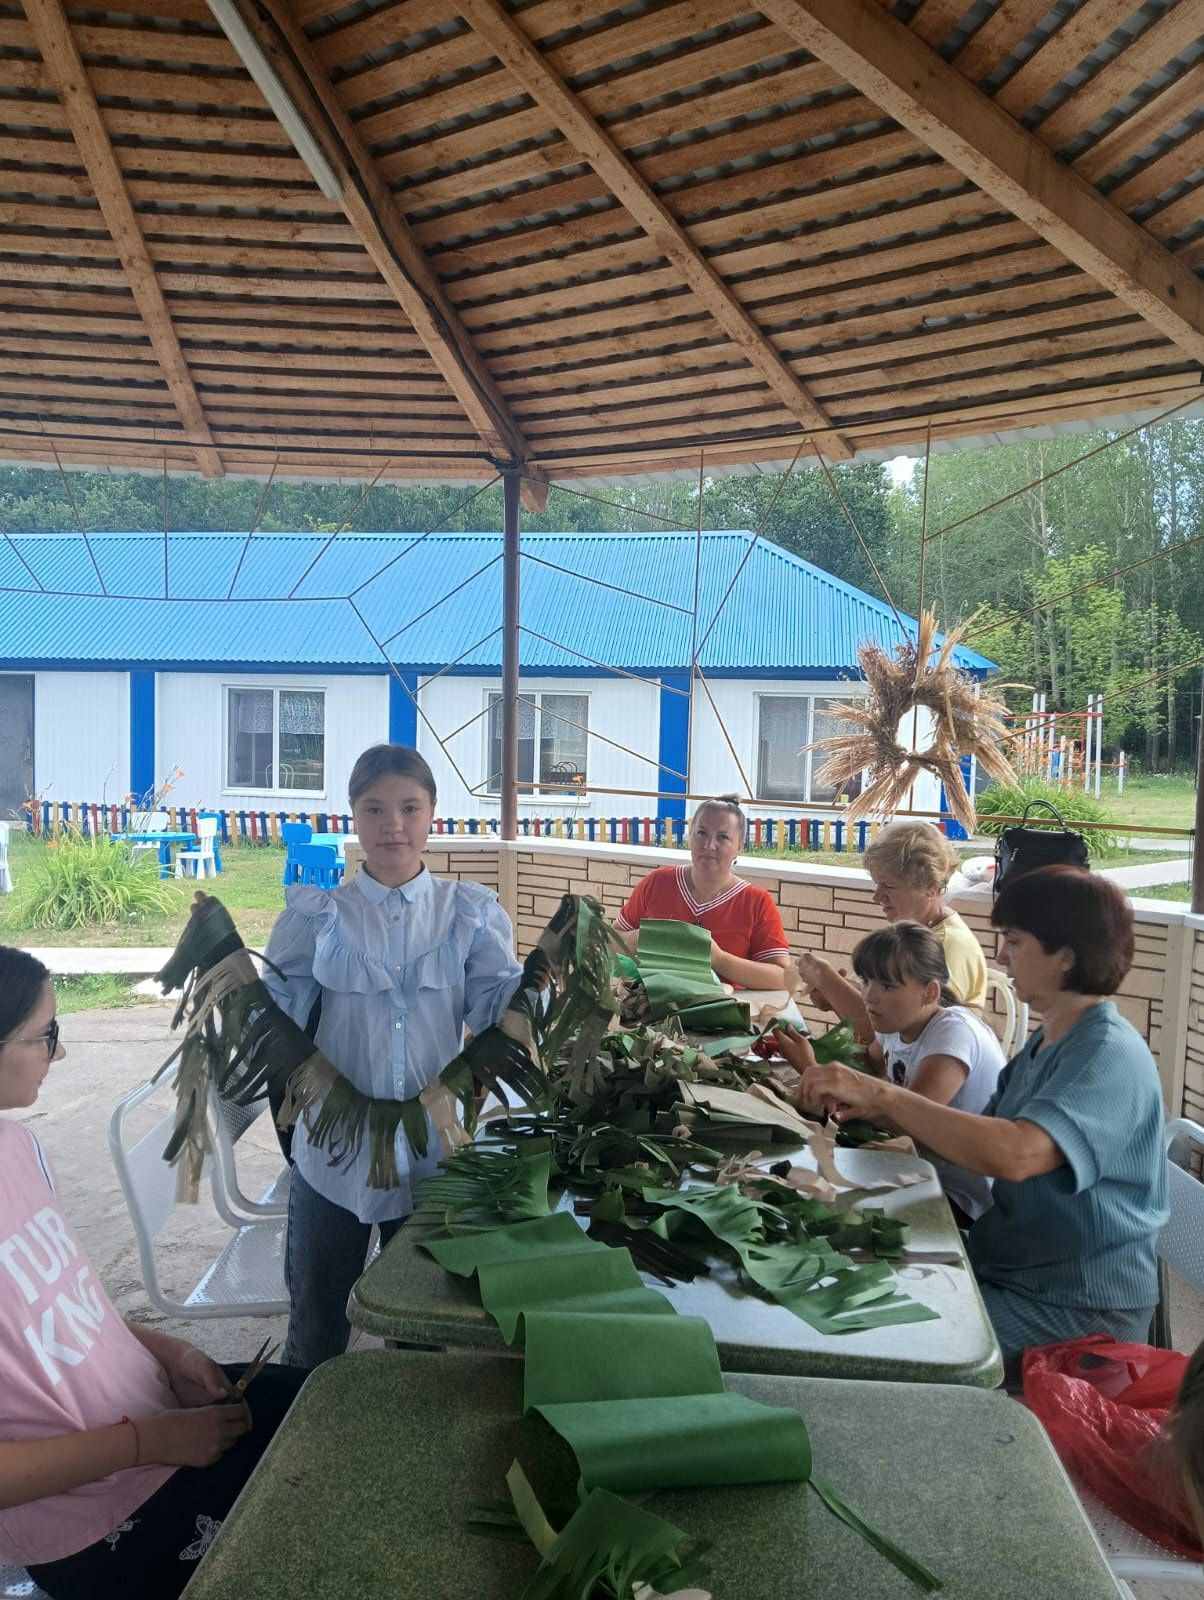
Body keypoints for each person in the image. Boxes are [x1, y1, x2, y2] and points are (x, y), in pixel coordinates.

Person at [0, 947, 305, 1600]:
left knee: (330, 1401)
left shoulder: (15, 1146)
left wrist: (169, 1354)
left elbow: (68, 1305)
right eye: (45, 1035)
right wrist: (150, 1441)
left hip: (153, 1416)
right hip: (93, 1511)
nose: (59, 1055)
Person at [779, 866, 1167, 1371]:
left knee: (864, 1338)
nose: (1002, 957)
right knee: (824, 1254)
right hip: (1007, 1262)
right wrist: (875, 1112)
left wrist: (882, 1096)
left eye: (1015, 942)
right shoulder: (1045, 1045)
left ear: (1065, 957)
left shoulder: (1106, 1054)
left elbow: (1015, 1154)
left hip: (1075, 1303)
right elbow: (965, 1144)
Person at [262, 743, 532, 1368]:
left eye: (410, 807)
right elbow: (278, 1010)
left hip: (432, 1154)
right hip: (332, 1151)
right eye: (374, 808)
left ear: (432, 813)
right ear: (353, 816)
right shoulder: (318, 915)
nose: (393, 825)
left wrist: (543, 980)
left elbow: (494, 1008)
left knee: (421, 1331)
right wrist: (240, 996)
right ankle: (300, 1446)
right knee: (317, 1328)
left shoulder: (466, 913)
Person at [836, 922, 1005, 1222]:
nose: (869, 996)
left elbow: (912, 1123)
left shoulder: (952, 1034)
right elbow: (870, 1065)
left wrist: (815, 1070)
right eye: (865, 981)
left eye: (887, 986)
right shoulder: (895, 1022)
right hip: (919, 1171)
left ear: (929, 992)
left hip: (963, 1199)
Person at [798, 820, 988, 1033]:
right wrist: (833, 995)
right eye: (877, 884)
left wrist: (828, 980)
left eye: (888, 886)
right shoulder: (912, 935)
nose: (876, 896)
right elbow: (882, 1017)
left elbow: (907, 1034)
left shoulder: (948, 945)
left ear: (931, 888)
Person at [614, 796, 791, 991]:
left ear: (739, 846)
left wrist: (719, 959)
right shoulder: (657, 883)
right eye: (702, 833)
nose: (709, 845)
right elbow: (610, 942)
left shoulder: (756, 902)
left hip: (726, 1015)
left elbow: (783, 978)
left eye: (723, 837)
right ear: (690, 836)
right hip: (657, 1013)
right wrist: (641, 938)